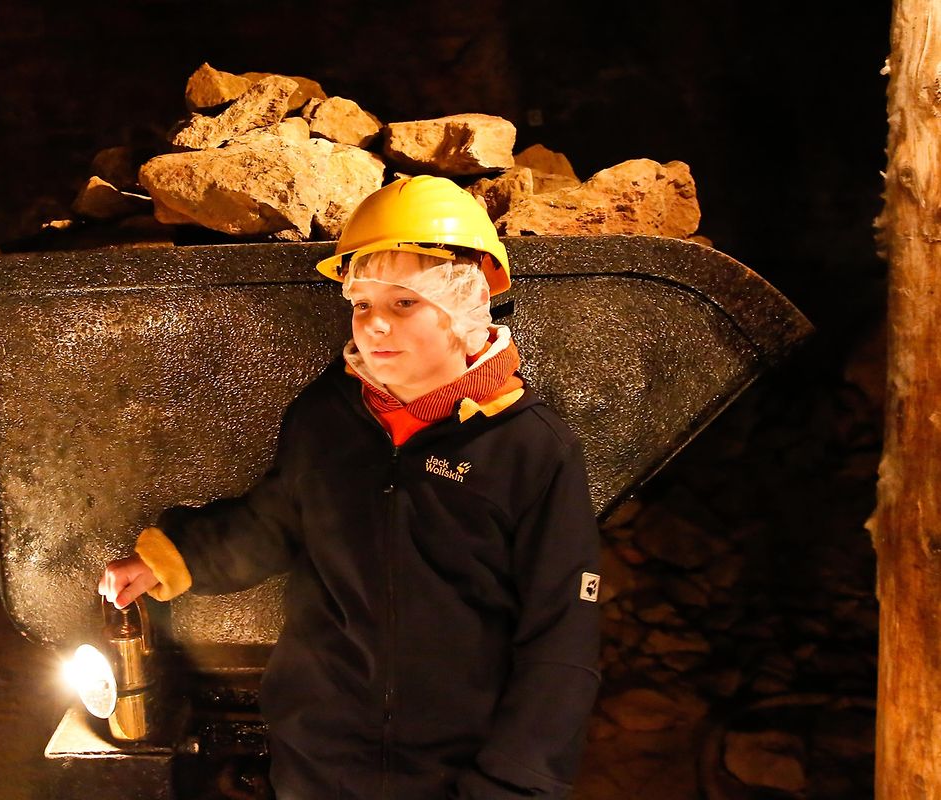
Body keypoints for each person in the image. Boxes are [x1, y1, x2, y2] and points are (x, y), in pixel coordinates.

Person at [98, 175, 602, 799]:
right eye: (362, 304)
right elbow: (275, 521)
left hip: (456, 770)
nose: (375, 327)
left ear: (464, 306)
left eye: (404, 303)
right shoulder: (329, 415)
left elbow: (561, 638)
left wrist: (514, 781)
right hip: (321, 756)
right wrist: (169, 560)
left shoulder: (531, 450)